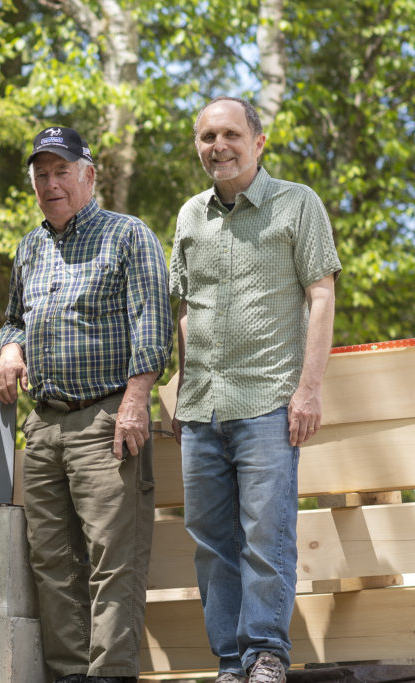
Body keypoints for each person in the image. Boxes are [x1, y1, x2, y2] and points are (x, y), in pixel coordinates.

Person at [0, 127, 174, 683]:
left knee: (112, 560)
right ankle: (69, 675)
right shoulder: (29, 246)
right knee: (50, 563)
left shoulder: (127, 236)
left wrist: (136, 401)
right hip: (42, 424)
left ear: (88, 176)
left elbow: (152, 324)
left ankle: (111, 674)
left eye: (61, 171)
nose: (50, 183)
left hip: (106, 418)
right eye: (41, 174)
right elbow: (14, 319)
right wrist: (11, 350)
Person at [170, 96, 340, 683]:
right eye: (207, 136)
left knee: (266, 536)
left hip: (269, 400)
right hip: (200, 408)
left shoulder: (298, 204)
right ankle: (229, 663)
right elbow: (187, 310)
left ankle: (266, 654)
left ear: (258, 142)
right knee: (212, 544)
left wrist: (309, 390)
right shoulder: (190, 216)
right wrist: (185, 382)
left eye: (231, 135)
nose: (219, 146)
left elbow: (321, 295)